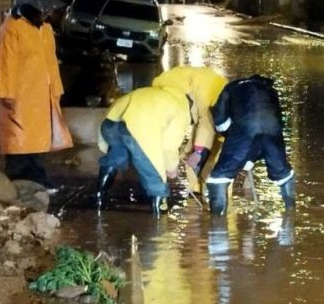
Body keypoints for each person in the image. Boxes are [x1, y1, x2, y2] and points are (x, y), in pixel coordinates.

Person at [0, 0, 73, 189]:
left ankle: (37, 176)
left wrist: (56, 89)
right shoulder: (12, 27)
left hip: (41, 93)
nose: (48, 13)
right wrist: (7, 93)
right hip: (21, 94)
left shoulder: (45, 29)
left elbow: (51, 61)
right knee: (18, 136)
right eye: (46, 9)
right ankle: (19, 178)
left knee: (38, 138)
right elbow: (7, 62)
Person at [94, 84, 194, 217]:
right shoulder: (180, 109)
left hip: (110, 123)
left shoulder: (154, 93)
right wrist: (172, 168)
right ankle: (159, 219)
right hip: (136, 129)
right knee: (153, 171)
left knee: (115, 157)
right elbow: (169, 145)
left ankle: (99, 198)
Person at [206, 75, 295, 216]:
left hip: (244, 132)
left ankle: (217, 223)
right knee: (283, 172)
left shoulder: (231, 87)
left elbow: (220, 121)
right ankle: (291, 213)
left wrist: (231, 138)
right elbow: (277, 116)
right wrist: (251, 155)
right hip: (273, 131)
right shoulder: (269, 89)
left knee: (220, 175)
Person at [151, 66, 228, 178]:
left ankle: (210, 185)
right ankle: (198, 184)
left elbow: (206, 122)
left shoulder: (205, 92)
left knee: (211, 157)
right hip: (200, 101)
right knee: (194, 154)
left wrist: (198, 151)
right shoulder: (165, 89)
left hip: (216, 112)